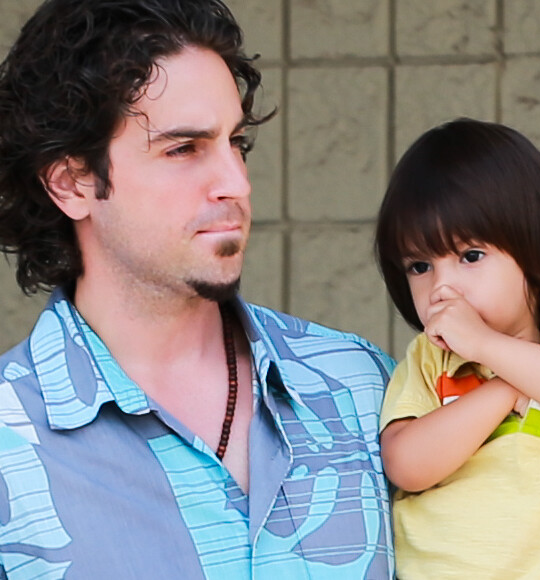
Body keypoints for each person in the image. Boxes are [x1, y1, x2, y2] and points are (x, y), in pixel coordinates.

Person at [0, 0, 396, 578]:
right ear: (73, 182)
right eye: (184, 149)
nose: (235, 182)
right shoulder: (11, 441)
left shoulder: (362, 385)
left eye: (236, 142)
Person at [374, 117, 540, 579]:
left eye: (470, 256)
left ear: (534, 253)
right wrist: (504, 387)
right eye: (419, 265)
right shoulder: (430, 360)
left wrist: (489, 346)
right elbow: (406, 464)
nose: (442, 286)